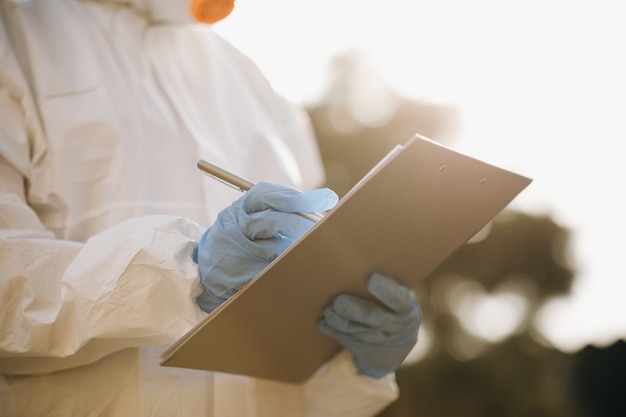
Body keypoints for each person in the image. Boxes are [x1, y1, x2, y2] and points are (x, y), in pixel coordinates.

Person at [0, 0, 421, 415]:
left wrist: (353, 368)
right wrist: (182, 275)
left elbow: (296, 385)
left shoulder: (258, 85)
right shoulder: (17, 34)